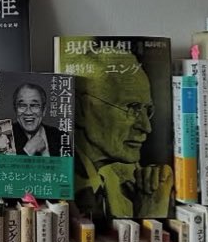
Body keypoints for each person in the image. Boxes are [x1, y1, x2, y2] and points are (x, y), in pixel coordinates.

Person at [73, 50, 173, 218]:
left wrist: (154, 208)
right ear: (81, 110)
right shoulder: (55, 178)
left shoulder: (136, 184)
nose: (146, 127)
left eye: (147, 110)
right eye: (131, 108)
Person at [9, 82, 69, 157]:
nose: (28, 112)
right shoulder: (6, 136)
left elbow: (72, 167)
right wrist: (28, 150)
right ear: (15, 110)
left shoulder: (60, 136)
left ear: (43, 111)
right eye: (22, 106)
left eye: (34, 105)